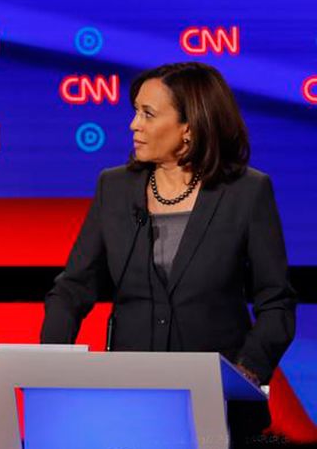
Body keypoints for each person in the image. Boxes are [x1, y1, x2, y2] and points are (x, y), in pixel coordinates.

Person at [41, 62, 296, 447]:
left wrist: (247, 369)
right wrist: (49, 366)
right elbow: (73, 288)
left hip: (219, 408)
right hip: (130, 404)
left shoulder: (246, 192)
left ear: (189, 128)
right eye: (135, 112)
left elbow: (276, 303)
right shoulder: (114, 187)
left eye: (148, 114)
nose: (134, 125)